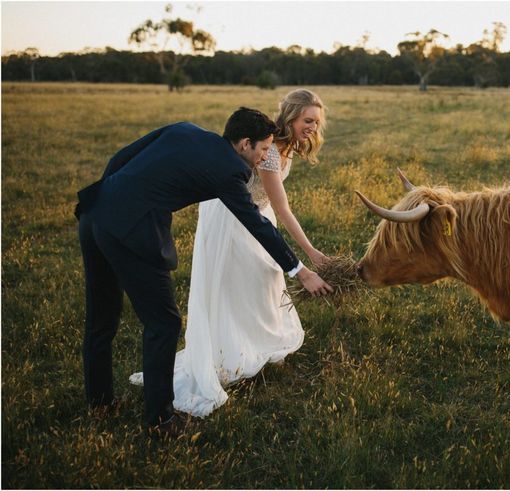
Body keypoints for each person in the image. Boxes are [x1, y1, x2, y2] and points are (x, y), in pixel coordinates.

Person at [76, 108, 333, 438]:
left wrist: (111, 192)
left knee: (101, 318)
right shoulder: (231, 172)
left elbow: (122, 156)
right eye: (263, 148)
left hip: (94, 212)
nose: (266, 154)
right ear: (244, 144)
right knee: (163, 324)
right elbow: (257, 224)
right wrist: (300, 271)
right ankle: (160, 421)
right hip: (132, 230)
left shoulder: (185, 129)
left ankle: (99, 404)